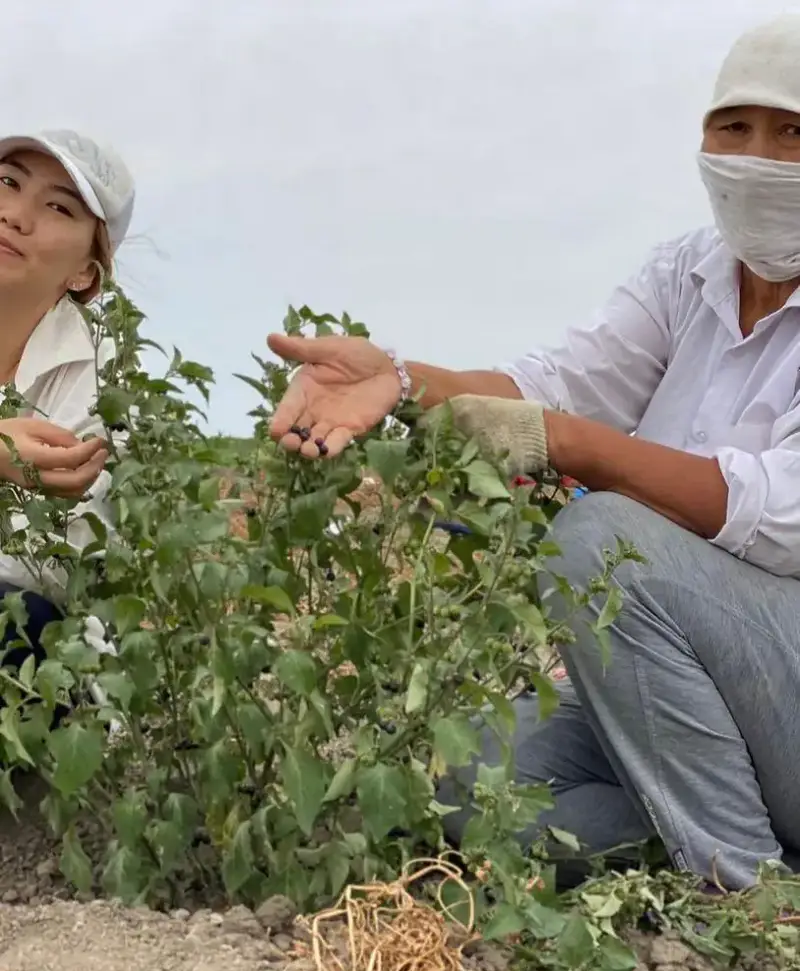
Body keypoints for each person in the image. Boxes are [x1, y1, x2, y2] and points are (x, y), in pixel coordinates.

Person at [266, 13, 800, 891]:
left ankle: (749, 891)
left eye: (791, 130)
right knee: (458, 789)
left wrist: (575, 450)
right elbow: (557, 381)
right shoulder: (688, 273)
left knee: (603, 544)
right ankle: (715, 826)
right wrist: (398, 381)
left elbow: (775, 515)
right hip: (690, 690)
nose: (757, 156)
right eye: (733, 127)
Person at [0, 130, 134, 678]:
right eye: (7, 182)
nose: (15, 215)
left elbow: (54, 561)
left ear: (86, 272)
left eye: (57, 206)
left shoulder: (106, 372)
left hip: (40, 662)